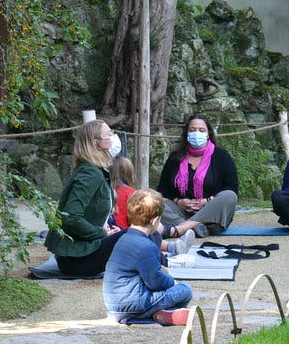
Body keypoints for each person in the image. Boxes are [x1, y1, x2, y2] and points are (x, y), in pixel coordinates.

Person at [44, 119, 127, 277]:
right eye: (109, 134)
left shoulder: (96, 170)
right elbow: (70, 218)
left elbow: (92, 214)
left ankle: (165, 261)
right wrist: (102, 234)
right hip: (76, 259)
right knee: (136, 233)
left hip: (87, 249)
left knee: (142, 231)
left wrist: (107, 228)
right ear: (97, 143)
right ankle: (166, 264)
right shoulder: (90, 174)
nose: (113, 137)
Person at [103, 189, 193, 325]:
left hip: (112, 302)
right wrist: (172, 282)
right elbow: (155, 282)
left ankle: (158, 313)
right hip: (134, 303)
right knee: (185, 290)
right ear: (155, 220)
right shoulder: (146, 246)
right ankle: (157, 314)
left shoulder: (123, 238)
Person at [157, 113, 238, 238]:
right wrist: (179, 202)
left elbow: (232, 187)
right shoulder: (175, 157)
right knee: (155, 200)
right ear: (186, 133)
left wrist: (207, 201)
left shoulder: (221, 156)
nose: (196, 133)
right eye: (192, 130)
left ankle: (182, 228)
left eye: (201, 130)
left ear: (208, 134)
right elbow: (162, 190)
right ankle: (195, 228)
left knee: (229, 196)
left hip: (211, 216)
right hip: (181, 212)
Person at [109, 156, 195, 257]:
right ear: (129, 174)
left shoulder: (109, 193)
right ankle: (173, 243)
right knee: (151, 233)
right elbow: (140, 222)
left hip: (115, 233)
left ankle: (174, 238)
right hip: (128, 236)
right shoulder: (131, 194)